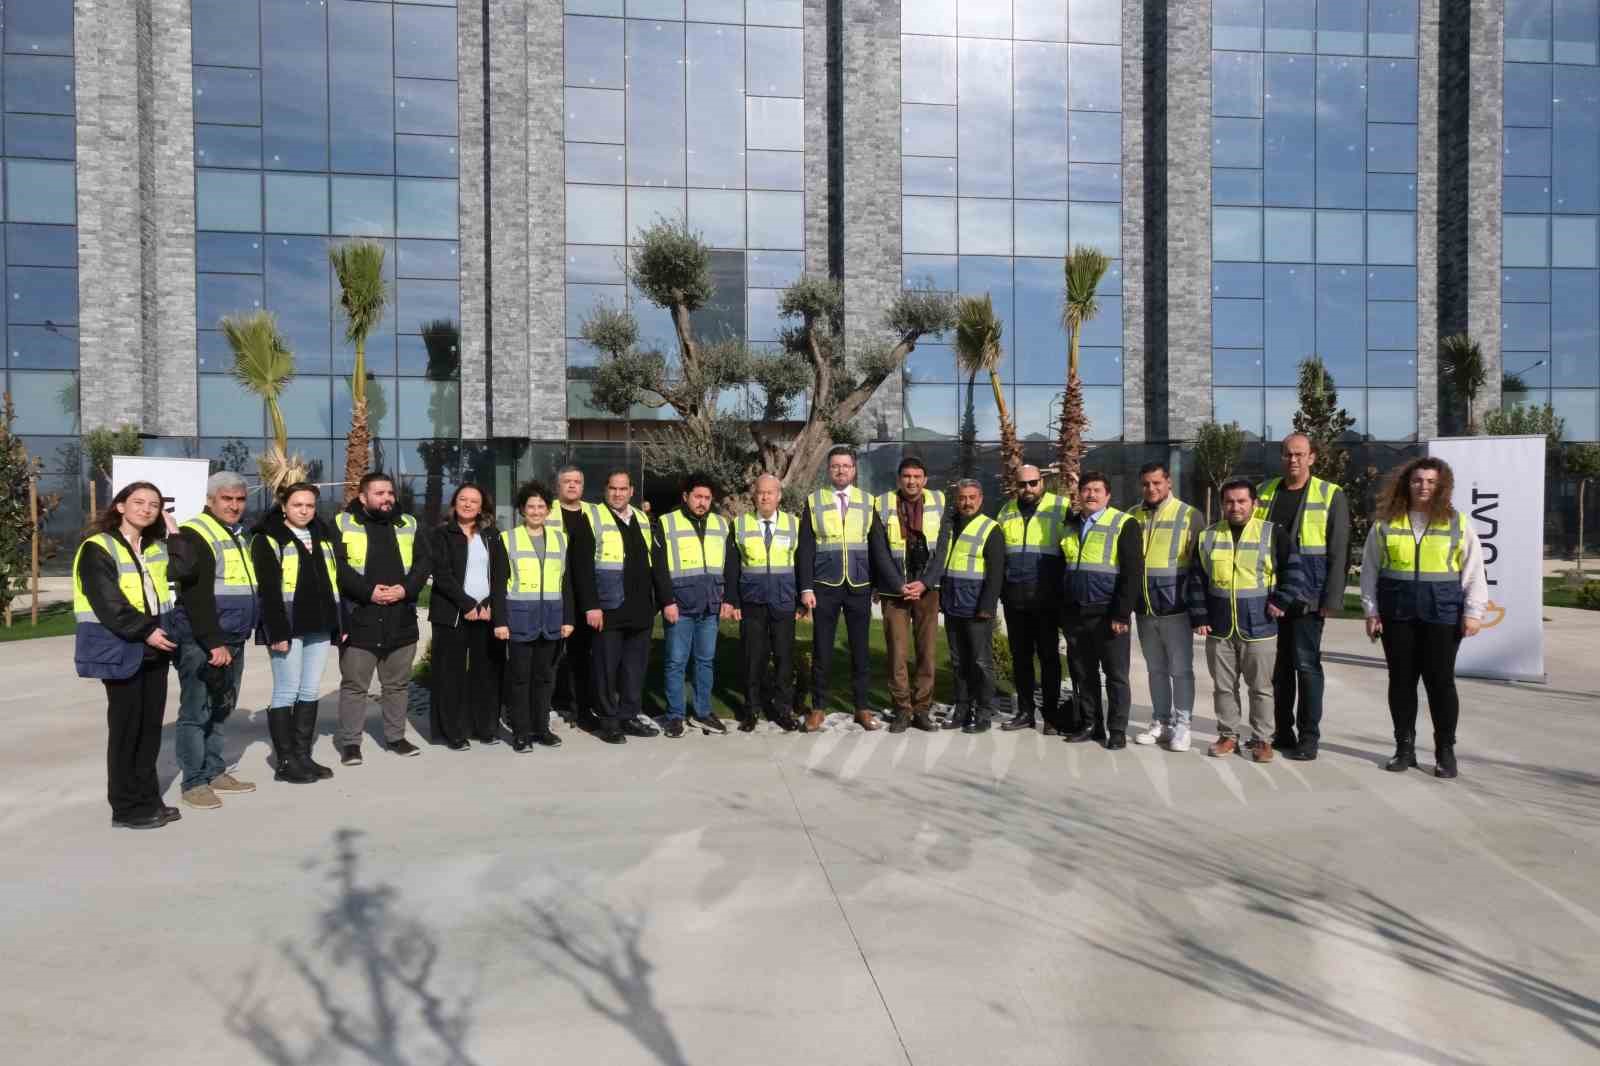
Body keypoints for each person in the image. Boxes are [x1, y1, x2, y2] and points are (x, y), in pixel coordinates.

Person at [1362, 457, 1488, 779]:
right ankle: (1404, 749)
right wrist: (1371, 610)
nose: (1424, 487)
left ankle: (1445, 751)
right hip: (1398, 614)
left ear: (1441, 486)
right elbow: (1370, 570)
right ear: (1407, 483)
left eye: (1431, 481)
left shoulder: (1458, 523)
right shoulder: (1386, 523)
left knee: (1440, 684)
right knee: (1401, 683)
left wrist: (1474, 613)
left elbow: (1474, 571)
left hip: (1442, 615)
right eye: (1418, 480)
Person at [73, 482, 180, 830]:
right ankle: (126, 807)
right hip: (121, 647)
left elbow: (187, 571)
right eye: (138, 502)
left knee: (149, 731)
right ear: (120, 506)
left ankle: (148, 799)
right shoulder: (97, 548)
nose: (146, 509)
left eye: (154, 504)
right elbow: (108, 602)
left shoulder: (155, 548)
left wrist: (176, 536)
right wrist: (146, 630)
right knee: (126, 732)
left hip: (154, 650)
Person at [1189, 479, 1302, 762]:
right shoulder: (1209, 536)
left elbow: (1295, 571)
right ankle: (1228, 736)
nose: (1235, 507)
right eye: (1229, 502)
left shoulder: (1272, 533)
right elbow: (1196, 580)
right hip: (1220, 626)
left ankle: (1263, 740)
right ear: (1222, 505)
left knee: (1261, 689)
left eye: (1241, 501)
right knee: (1223, 687)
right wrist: (1200, 615)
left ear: (1254, 503)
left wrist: (1281, 600)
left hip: (1260, 626)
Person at [1255, 433, 1351, 761]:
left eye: (1299, 454)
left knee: (1306, 666)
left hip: (1308, 597)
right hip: (1270, 596)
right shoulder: (1265, 492)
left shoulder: (1330, 494)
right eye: (1287, 454)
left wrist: (1331, 598)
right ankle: (1282, 732)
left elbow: (1339, 550)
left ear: (1311, 458)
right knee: (1277, 669)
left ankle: (1309, 737)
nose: (1292, 460)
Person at [168, 471, 259, 810]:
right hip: (204, 640)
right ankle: (194, 782)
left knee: (221, 707)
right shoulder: (196, 534)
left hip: (232, 636)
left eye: (240, 499)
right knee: (196, 710)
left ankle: (214, 769)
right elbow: (195, 595)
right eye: (227, 499)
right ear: (210, 500)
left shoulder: (236, 533)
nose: (234, 506)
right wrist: (212, 642)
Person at [334, 472, 432, 764]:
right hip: (360, 617)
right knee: (354, 686)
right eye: (379, 493)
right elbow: (336, 566)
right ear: (363, 497)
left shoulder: (409, 524)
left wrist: (405, 589)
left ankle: (396, 737)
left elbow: (424, 562)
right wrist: (368, 592)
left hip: (400, 618)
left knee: (397, 685)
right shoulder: (342, 523)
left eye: (389, 492)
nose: (387, 498)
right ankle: (351, 744)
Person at [250, 482, 342, 784]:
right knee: (287, 690)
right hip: (287, 626)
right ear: (284, 506)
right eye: (297, 505)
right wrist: (276, 630)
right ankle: (286, 761)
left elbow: (331, 583)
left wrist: (339, 624)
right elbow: (268, 591)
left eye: (310, 505)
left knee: (310, 690)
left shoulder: (322, 535)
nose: (304, 510)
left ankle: (303, 755)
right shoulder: (267, 539)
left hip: (319, 623)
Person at [573, 469, 671, 744]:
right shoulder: (591, 518)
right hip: (608, 608)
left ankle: (629, 715)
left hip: (640, 608)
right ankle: (608, 721)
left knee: (634, 668)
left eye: (623, 489)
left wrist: (663, 600)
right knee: (605, 667)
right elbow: (581, 567)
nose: (618, 494)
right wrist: (591, 606)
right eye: (613, 489)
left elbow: (656, 561)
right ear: (606, 490)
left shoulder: (641, 518)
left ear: (631, 492)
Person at [797, 445, 886, 732]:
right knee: (822, 650)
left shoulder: (867, 501)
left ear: (854, 469)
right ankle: (818, 708)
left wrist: (878, 585)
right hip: (825, 586)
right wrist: (806, 588)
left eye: (846, 466)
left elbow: (877, 547)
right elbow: (806, 549)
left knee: (860, 651)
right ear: (828, 469)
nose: (841, 470)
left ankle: (862, 708)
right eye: (835, 466)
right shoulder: (814, 501)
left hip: (860, 586)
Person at [1058, 471, 1143, 749]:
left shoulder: (1124, 523)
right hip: (1076, 613)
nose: (1091, 495)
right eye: (1086, 490)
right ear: (1079, 494)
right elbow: (1065, 567)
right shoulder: (1070, 525)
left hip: (1108, 615)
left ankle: (1117, 729)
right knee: (1084, 674)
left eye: (1097, 490)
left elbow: (1133, 573)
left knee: (1116, 675)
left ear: (1108, 496)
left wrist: (1121, 614)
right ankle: (1091, 724)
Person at [426, 484, 509, 749]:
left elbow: (500, 574)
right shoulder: (441, 534)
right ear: (454, 502)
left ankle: (485, 728)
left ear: (482, 506)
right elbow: (442, 574)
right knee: (451, 675)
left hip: (486, 614)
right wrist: (467, 604)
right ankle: (453, 732)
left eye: (474, 500)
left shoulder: (492, 535)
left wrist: (488, 604)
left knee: (486, 673)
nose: (468, 504)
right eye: (463, 499)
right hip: (451, 614)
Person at [874, 456, 951, 733]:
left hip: (927, 590)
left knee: (927, 652)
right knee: (897, 653)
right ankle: (902, 710)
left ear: (925, 480)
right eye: (907, 476)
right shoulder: (881, 504)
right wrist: (898, 584)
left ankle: (922, 709)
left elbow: (943, 548)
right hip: (895, 590)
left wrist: (926, 582)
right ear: (899, 479)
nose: (912, 481)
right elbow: (879, 549)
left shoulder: (940, 502)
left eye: (917, 476)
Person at [1132, 461, 1202, 752]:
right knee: (1155, 670)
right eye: (1146, 484)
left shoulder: (1189, 515)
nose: (1151, 488)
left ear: (1168, 483)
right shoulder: (1132, 516)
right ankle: (1161, 721)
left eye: (1157, 483)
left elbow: (1200, 567)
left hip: (1177, 609)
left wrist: (1199, 611)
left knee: (1181, 670)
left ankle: (1183, 726)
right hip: (1146, 610)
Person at [654, 473, 731, 738]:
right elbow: (660, 568)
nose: (702, 502)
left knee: (705, 661)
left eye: (707, 498)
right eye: (697, 496)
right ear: (685, 497)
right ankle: (675, 715)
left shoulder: (721, 525)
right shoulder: (667, 523)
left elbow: (730, 564)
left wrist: (727, 599)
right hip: (680, 605)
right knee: (676, 661)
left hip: (710, 605)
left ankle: (702, 712)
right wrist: (667, 601)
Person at [501, 481, 576, 752]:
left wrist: (569, 619)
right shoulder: (507, 539)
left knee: (545, 678)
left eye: (540, 506)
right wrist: (500, 622)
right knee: (520, 679)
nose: (535, 511)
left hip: (552, 620)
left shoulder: (561, 538)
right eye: (530, 506)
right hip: (520, 619)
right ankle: (521, 732)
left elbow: (565, 583)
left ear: (548, 510)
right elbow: (499, 584)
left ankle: (541, 728)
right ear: (522, 510)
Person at [723, 473, 800, 732]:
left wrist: (802, 600)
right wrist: (731, 601)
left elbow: (801, 565)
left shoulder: (794, 524)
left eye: (770, 492)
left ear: (779, 496)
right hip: (752, 601)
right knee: (752, 658)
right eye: (760, 492)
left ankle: (783, 710)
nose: (765, 496)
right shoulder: (741, 524)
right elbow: (732, 566)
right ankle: (751, 710)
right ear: (754, 496)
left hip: (784, 601)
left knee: (784, 658)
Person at [996, 464, 1070, 733]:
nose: (1027, 489)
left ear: (1043, 482)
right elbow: (999, 555)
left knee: (1049, 657)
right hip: (1015, 599)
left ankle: (1051, 714)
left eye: (1032, 483)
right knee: (1021, 658)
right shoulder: (1006, 511)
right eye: (1022, 484)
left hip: (1047, 599)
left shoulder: (1061, 507)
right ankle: (1025, 712)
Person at [940, 479, 1005, 734]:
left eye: (972, 497)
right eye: (962, 497)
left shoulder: (991, 528)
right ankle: (962, 709)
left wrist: (987, 606)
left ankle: (984, 712)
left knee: (980, 662)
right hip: (953, 603)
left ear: (981, 499)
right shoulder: (950, 525)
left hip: (977, 606)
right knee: (959, 662)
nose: (967, 502)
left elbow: (996, 572)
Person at [552, 464, 595, 727]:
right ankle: (554, 704)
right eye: (567, 481)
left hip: (587, 594)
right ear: (558, 486)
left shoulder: (594, 513)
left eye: (577, 481)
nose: (572, 485)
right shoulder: (547, 512)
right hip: (555, 591)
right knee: (553, 654)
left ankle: (582, 708)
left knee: (583, 654)